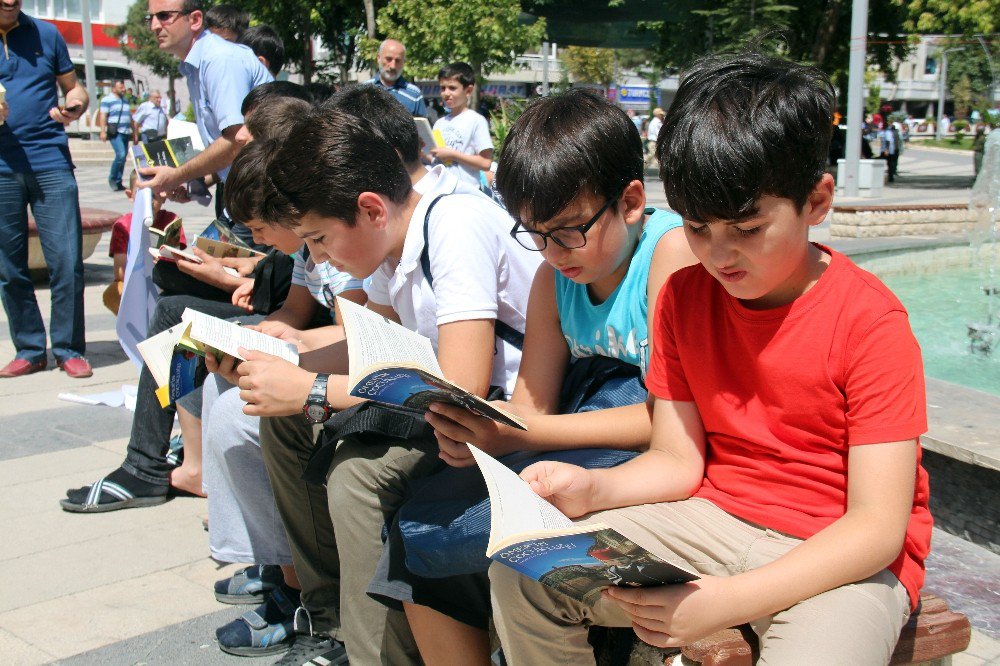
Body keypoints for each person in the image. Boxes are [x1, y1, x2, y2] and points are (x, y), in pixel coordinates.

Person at [489, 51, 932, 666]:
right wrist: (589, 488)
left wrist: (724, 602)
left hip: (840, 559)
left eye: (747, 229)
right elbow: (676, 459)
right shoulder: (685, 296)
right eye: (698, 227)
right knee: (529, 573)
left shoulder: (870, 323)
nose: (720, 255)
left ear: (818, 199)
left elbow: (877, 529)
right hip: (711, 520)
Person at [373, 88, 698, 665]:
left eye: (570, 230)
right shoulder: (556, 276)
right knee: (415, 528)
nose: (552, 252)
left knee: (445, 537)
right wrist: (481, 433)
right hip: (583, 429)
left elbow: (670, 420)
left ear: (630, 201)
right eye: (535, 234)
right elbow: (532, 402)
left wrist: (518, 435)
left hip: (655, 442)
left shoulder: (669, 256)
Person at [231, 107, 539, 665]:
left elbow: (458, 385)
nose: (319, 257)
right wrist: (271, 358)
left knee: (357, 477)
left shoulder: (455, 224)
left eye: (320, 239)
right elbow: (374, 350)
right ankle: (330, 621)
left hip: (504, 420)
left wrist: (313, 390)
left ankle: (376, 652)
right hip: (453, 415)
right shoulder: (388, 243)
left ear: (370, 208)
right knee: (291, 428)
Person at [58, 84, 309, 514]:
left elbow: (303, 299)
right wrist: (236, 268)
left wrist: (226, 276)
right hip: (280, 312)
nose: (237, 139)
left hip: (301, 334)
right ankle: (160, 458)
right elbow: (283, 270)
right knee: (172, 300)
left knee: (182, 325)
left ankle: (163, 464)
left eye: (247, 131)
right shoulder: (285, 198)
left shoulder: (306, 205)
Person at [198, 141, 365, 658]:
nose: (256, 240)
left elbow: (359, 338)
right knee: (218, 386)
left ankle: (298, 594)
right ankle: (274, 565)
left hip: (356, 378)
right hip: (338, 365)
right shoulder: (311, 247)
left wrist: (290, 352)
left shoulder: (345, 245)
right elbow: (301, 314)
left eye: (262, 227)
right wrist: (277, 334)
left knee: (241, 412)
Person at [0, 0, 92, 379]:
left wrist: (75, 104)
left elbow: (75, 89)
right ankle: (30, 348)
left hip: (51, 159)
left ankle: (69, 348)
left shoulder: (47, 33)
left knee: (67, 261)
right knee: (8, 267)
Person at [138, 0, 272, 251]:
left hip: (266, 203)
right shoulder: (197, 65)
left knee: (192, 275)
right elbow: (234, 147)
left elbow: (237, 141)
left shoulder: (219, 59)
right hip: (245, 197)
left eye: (165, 16)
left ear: (195, 20)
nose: (155, 26)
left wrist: (177, 175)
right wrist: (194, 182)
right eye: (151, 18)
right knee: (183, 268)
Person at [104, 170, 184, 315]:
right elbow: (119, 271)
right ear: (130, 195)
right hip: (133, 281)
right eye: (142, 195)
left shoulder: (171, 220)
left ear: (164, 196)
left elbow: (179, 259)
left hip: (163, 280)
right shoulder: (123, 225)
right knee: (114, 293)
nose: (149, 201)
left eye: (154, 195)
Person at [430, 62, 493, 189]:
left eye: (452, 88)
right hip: (440, 189)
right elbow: (436, 157)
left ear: (468, 90)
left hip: (465, 191)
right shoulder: (439, 123)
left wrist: (453, 155)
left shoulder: (476, 120)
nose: (446, 93)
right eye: (443, 88)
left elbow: (485, 163)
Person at [366, 38, 426, 117]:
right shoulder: (363, 89)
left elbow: (421, 127)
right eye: (389, 59)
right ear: (378, 58)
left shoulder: (414, 94)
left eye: (398, 61)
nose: (393, 66)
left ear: (403, 62)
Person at [99, 79, 134, 191]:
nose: (123, 89)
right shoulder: (107, 100)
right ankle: (112, 178)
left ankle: (118, 181)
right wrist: (103, 131)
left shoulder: (125, 100)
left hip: (126, 131)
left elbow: (130, 117)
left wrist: (134, 131)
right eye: (121, 87)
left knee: (123, 158)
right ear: (114, 89)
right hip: (115, 132)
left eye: (123, 87)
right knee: (121, 154)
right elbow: (103, 115)